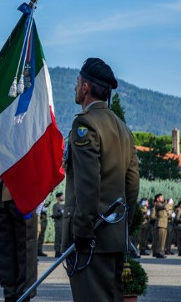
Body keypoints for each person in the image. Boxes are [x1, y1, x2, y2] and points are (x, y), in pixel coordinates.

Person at [62, 57, 140, 302]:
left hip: (90, 238)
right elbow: (132, 183)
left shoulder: (85, 124)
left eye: (77, 83)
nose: (75, 87)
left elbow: (88, 183)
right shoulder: (123, 129)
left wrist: (83, 231)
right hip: (114, 237)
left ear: (86, 87)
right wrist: (121, 222)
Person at [0, 166, 38, 302]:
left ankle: (20, 296)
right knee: (8, 251)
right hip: (5, 188)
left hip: (17, 188)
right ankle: (14, 295)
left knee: (20, 248)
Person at [153, 194, 167, 259]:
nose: (162, 198)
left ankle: (161, 251)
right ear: (157, 199)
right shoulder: (157, 204)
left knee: (163, 239)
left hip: (164, 224)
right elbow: (163, 207)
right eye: (161, 197)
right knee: (160, 239)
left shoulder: (162, 204)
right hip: (160, 223)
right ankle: (159, 252)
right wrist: (167, 202)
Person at [51, 192, 65, 258]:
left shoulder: (63, 206)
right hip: (59, 224)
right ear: (58, 198)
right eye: (62, 196)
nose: (63, 197)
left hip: (63, 224)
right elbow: (54, 215)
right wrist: (61, 213)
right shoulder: (56, 206)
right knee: (58, 238)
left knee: (63, 239)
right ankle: (57, 252)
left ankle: (62, 251)